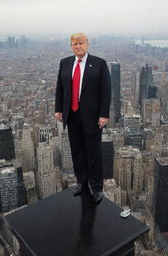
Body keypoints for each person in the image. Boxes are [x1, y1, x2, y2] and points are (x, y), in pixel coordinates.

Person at [55, 33, 111, 203]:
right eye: (75, 43)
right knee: (77, 151)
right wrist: (58, 109)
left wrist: (103, 114)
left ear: (87, 44)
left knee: (93, 153)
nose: (78, 46)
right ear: (71, 45)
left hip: (92, 116)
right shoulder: (65, 63)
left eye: (81, 43)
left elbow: (106, 90)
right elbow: (60, 87)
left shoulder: (99, 64)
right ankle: (82, 183)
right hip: (71, 115)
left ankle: (96, 188)